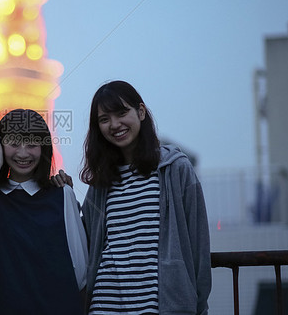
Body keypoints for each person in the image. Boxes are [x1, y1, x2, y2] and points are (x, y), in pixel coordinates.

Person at [53, 81, 211, 314]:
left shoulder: (175, 169)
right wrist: (65, 199)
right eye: (104, 119)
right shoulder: (101, 182)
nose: (115, 124)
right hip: (105, 304)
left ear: (141, 111)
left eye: (121, 113)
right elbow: (85, 239)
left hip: (160, 305)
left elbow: (198, 245)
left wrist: (199, 306)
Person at [0, 109, 87, 315]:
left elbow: (80, 268)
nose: (23, 153)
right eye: (14, 144)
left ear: (43, 148)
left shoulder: (62, 195)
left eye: (32, 145)